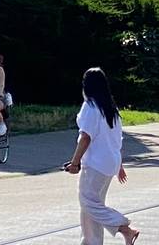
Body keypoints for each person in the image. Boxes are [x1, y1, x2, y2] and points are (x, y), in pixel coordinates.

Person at [63, 66, 139, 245]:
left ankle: (126, 229)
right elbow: (116, 139)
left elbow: (85, 137)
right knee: (92, 206)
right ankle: (90, 242)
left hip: (96, 165)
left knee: (89, 203)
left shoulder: (90, 106)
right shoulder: (111, 109)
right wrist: (118, 165)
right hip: (109, 163)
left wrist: (75, 163)